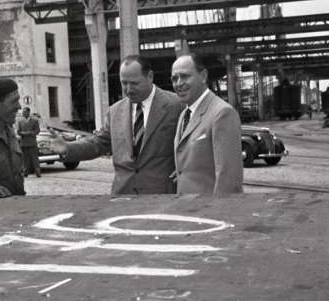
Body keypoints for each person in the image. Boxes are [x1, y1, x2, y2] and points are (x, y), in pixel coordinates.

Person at [50, 54, 183, 195]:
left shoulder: (177, 105)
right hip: (123, 194)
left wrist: (187, 166)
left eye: (134, 83)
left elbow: (192, 141)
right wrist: (67, 147)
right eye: (124, 83)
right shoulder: (115, 111)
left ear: (150, 76)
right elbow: (99, 143)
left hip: (162, 194)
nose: (128, 89)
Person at [171, 54, 243, 196]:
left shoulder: (222, 113)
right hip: (186, 205)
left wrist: (217, 209)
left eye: (185, 76)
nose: (178, 83)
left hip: (207, 207)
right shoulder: (184, 115)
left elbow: (229, 180)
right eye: (174, 78)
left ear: (203, 76)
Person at [17, 106, 41, 177]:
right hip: (24, 143)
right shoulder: (20, 121)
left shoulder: (35, 120)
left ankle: (38, 172)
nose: (23, 113)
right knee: (25, 159)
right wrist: (24, 133)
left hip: (32, 142)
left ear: (28, 112)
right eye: (23, 112)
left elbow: (37, 130)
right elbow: (18, 131)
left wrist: (30, 133)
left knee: (35, 158)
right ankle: (25, 172)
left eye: (24, 112)